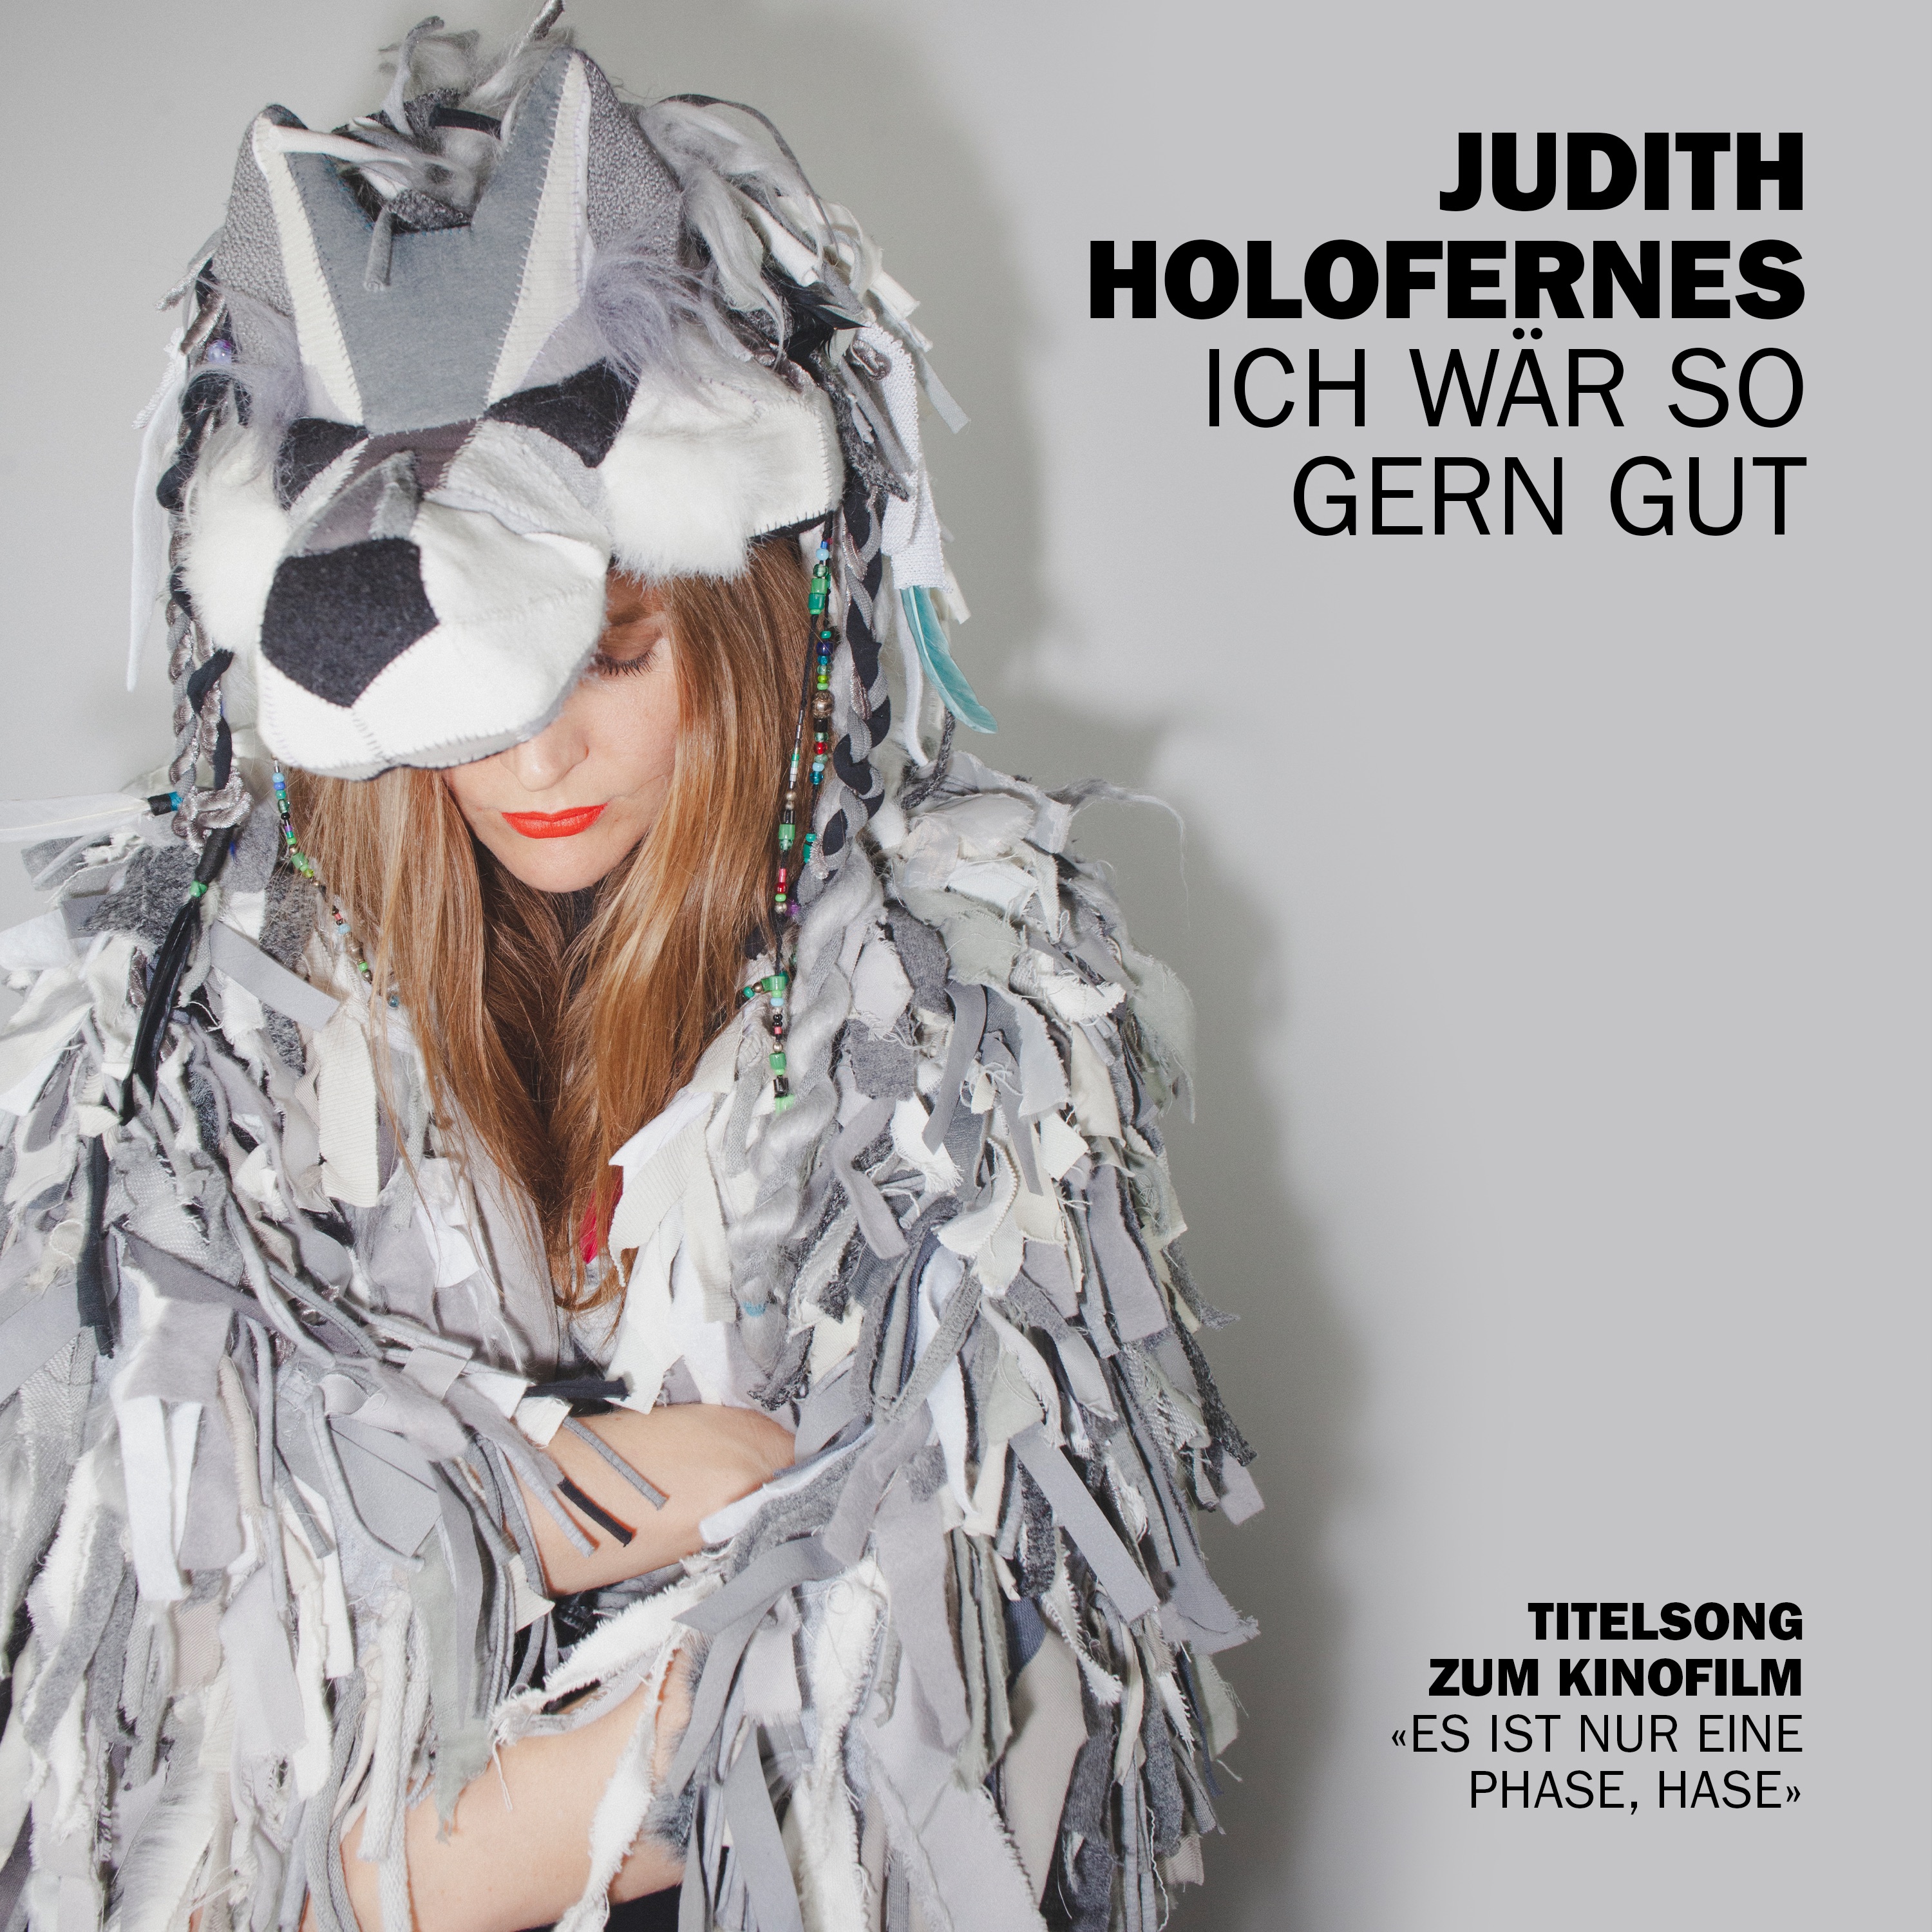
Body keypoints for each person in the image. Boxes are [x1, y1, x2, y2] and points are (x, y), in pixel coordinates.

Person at [0, 13, 1262, 1932]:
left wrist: (499, 1613)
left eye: (611, 653)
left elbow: (993, 1680)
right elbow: (149, 1727)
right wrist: (628, 1487)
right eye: (470, 678)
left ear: (742, 621)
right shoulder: (178, 1031)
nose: (537, 758)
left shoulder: (972, 1013)